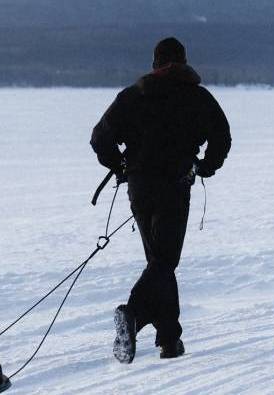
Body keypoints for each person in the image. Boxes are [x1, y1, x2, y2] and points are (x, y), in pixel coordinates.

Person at [90, 37, 231, 363]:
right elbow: (222, 137)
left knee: (159, 261)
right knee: (164, 261)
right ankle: (133, 315)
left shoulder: (133, 96)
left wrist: (120, 165)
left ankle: (170, 339)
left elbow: (100, 138)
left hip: (139, 188)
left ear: (155, 64)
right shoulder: (197, 97)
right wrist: (206, 167)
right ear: (183, 61)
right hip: (174, 186)